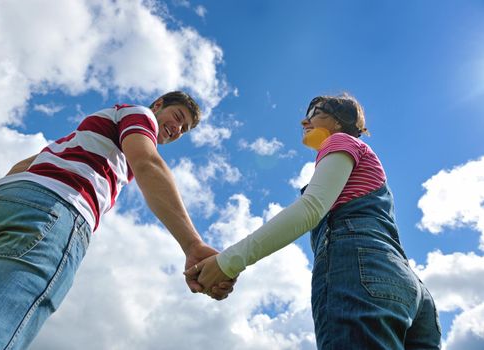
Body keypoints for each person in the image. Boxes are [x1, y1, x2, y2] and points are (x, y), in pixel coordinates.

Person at [0, 91, 233, 349]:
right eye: (177, 117)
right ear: (158, 104)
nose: (178, 129)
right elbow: (147, 162)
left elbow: (20, 168)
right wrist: (192, 245)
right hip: (53, 211)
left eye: (184, 130)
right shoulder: (140, 115)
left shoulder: (81, 137)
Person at [186, 93, 441, 349]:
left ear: (340, 122)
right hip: (409, 288)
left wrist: (228, 262)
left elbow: (311, 208)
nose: (304, 122)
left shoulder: (340, 141)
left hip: (362, 270)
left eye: (315, 114)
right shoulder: (365, 164)